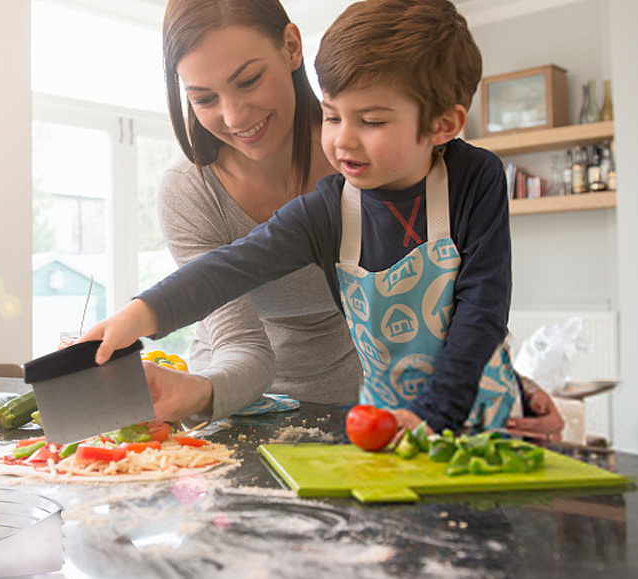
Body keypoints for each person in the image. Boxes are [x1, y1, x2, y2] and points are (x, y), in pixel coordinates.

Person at [87, 0, 564, 437]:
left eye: (371, 122)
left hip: (465, 415)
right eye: (333, 117)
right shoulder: (329, 204)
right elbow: (233, 266)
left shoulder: (474, 177)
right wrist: (139, 313)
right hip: (371, 422)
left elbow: (480, 309)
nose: (342, 142)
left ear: (443, 124)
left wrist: (475, 396)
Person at [148, 0, 362, 424]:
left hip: (357, 408)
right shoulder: (190, 192)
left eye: (248, 80)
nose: (234, 117)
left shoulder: (360, 157)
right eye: (204, 98)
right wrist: (196, 391)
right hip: (232, 406)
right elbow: (241, 345)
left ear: (292, 46)